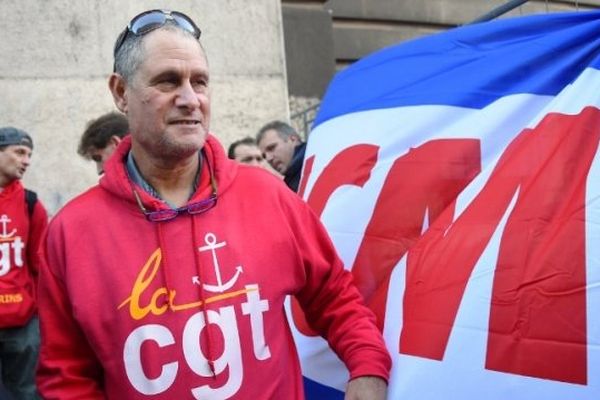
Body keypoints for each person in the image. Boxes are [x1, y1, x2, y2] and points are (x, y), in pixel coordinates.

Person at [36, 9, 390, 400]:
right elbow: (67, 376)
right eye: (168, 81)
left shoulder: (269, 195)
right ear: (121, 92)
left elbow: (334, 295)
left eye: (199, 82)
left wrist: (367, 366)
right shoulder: (72, 231)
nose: (190, 99)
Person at [0, 127, 48, 400]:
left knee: (27, 393)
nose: (26, 161)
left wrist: (38, 314)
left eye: (29, 154)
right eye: (19, 152)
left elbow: (39, 264)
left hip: (22, 322)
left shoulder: (30, 204)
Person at [256, 120, 306, 192]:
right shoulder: (291, 180)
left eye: (271, 148)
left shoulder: (316, 164)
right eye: (264, 156)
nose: (268, 158)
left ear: (293, 139)